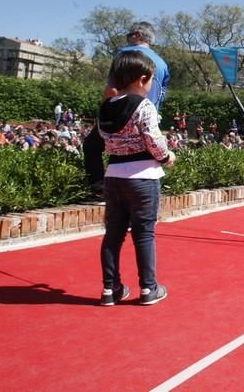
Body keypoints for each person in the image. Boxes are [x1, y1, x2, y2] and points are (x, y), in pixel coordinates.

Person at [97, 50, 175, 306]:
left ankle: (110, 289)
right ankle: (148, 288)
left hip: (114, 177)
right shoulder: (144, 106)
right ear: (142, 79)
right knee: (143, 234)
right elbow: (153, 139)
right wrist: (166, 158)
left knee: (113, 234)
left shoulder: (105, 107)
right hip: (143, 177)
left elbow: (104, 140)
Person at [83, 22, 170, 198]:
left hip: (122, 112)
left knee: (92, 147)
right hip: (148, 115)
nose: (127, 39)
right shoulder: (162, 64)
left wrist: (105, 110)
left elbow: (112, 89)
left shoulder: (125, 55)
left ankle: (99, 188)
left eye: (128, 35)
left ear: (137, 35)